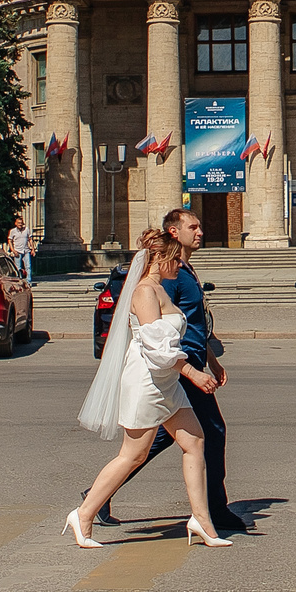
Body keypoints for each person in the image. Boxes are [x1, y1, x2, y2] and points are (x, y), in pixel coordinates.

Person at [66, 228, 230, 549]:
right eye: (176, 260)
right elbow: (156, 348)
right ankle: (83, 514)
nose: (180, 266)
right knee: (133, 455)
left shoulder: (160, 289)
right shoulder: (144, 292)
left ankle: (201, 520)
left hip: (165, 382)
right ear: (160, 258)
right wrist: (193, 373)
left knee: (195, 443)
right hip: (147, 381)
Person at [148, 207, 248, 534]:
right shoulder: (171, 273)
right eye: (194, 226)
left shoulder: (186, 269)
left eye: (201, 225)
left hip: (194, 361)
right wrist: (189, 369)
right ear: (174, 232)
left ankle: (98, 495)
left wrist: (214, 360)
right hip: (182, 367)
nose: (200, 231)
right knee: (213, 431)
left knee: (159, 438)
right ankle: (216, 510)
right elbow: (167, 324)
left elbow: (191, 323)